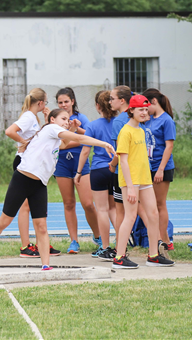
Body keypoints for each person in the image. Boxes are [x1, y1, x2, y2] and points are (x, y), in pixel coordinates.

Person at [0, 108, 115, 272]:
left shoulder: (54, 137)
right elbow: (78, 138)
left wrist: (72, 127)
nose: (66, 122)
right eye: (63, 118)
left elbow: (64, 144)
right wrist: (103, 143)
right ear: (52, 120)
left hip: (39, 184)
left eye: (68, 119)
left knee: (41, 226)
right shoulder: (50, 129)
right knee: (5, 220)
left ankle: (46, 265)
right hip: (22, 179)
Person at [112, 95, 175, 269]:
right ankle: (119, 257)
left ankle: (153, 255)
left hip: (145, 178)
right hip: (130, 182)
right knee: (130, 216)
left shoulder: (141, 130)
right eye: (140, 109)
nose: (144, 112)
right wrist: (130, 187)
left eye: (146, 109)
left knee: (153, 214)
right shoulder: (125, 131)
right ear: (131, 111)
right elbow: (123, 161)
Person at [5, 88, 60, 258]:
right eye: (47, 102)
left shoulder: (33, 117)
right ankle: (25, 245)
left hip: (31, 163)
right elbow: (10, 131)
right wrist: (24, 142)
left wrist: (46, 121)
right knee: (25, 206)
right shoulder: (28, 116)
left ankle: (40, 243)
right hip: (24, 162)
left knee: (32, 207)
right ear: (41, 103)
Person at [54, 87, 101, 253]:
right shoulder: (56, 120)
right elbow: (54, 144)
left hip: (80, 163)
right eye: (60, 102)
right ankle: (74, 241)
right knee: (68, 203)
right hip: (62, 165)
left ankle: (98, 236)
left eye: (66, 101)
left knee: (88, 203)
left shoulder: (81, 118)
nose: (64, 104)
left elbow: (87, 139)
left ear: (72, 102)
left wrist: (68, 140)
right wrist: (72, 140)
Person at [74, 91, 117, 260]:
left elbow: (85, 151)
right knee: (114, 209)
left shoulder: (92, 126)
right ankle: (121, 247)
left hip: (99, 170)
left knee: (102, 209)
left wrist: (78, 172)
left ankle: (105, 247)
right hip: (116, 169)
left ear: (97, 106)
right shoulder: (121, 123)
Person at [109, 86, 148, 252]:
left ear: (123, 101)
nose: (110, 101)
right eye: (142, 109)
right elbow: (123, 153)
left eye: (112, 98)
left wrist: (112, 165)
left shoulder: (123, 122)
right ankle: (122, 253)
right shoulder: (130, 125)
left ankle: (121, 250)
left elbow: (121, 156)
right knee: (136, 213)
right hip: (133, 176)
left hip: (131, 176)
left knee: (124, 213)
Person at [142, 88, 176, 251]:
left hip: (161, 167)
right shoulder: (148, 119)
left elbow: (169, 146)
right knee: (150, 204)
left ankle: (165, 239)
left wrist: (161, 169)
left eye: (146, 105)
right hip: (148, 167)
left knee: (159, 204)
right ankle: (161, 238)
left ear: (154, 101)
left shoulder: (166, 120)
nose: (144, 110)